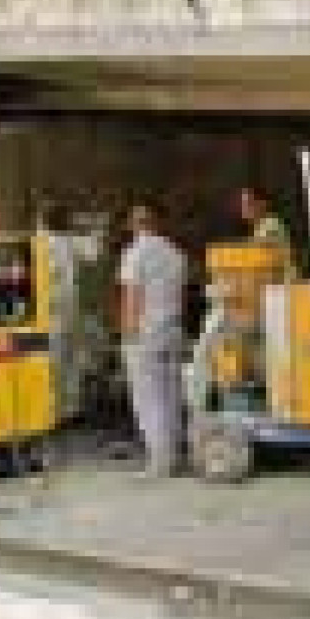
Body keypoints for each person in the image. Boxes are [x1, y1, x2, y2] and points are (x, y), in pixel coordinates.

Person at [118, 202, 188, 477]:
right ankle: (175, 452)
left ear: (134, 225)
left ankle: (159, 461)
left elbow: (132, 296)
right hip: (172, 329)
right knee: (171, 392)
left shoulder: (135, 253)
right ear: (156, 223)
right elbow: (181, 298)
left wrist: (126, 333)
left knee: (148, 395)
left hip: (144, 332)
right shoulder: (175, 253)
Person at [39, 202, 80, 425]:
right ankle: (55, 412)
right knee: (55, 362)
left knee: (64, 361)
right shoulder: (43, 243)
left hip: (64, 311)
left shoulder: (65, 241)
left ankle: (63, 410)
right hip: (53, 313)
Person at [237, 185, 297, 281]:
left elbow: (263, 260)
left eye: (249, 204)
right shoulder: (259, 227)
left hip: (282, 284)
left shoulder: (270, 225)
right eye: (243, 205)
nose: (245, 209)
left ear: (262, 203)